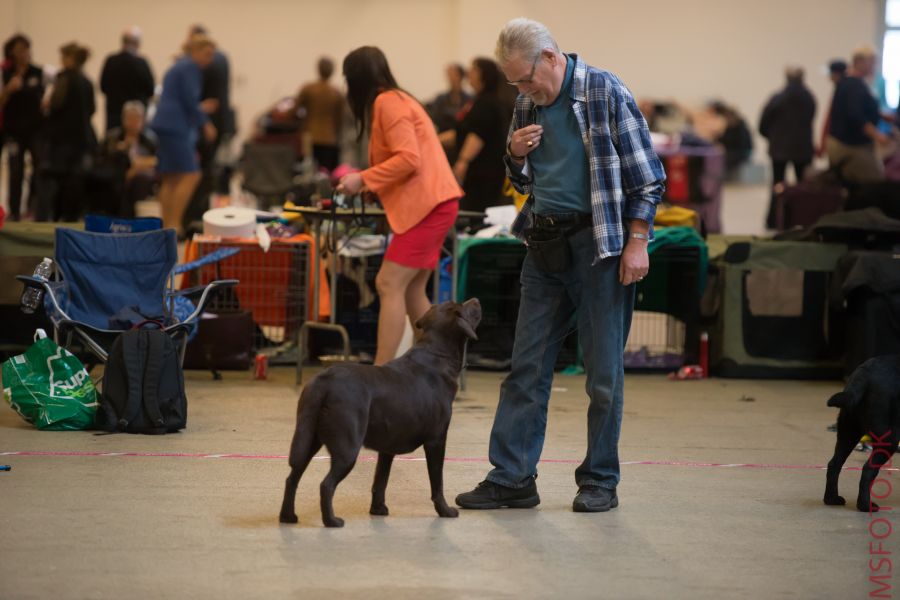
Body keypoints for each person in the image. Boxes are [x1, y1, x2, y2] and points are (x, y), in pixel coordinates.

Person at [455, 18, 665, 513]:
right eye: (515, 84)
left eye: (527, 79)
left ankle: (599, 480)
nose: (524, 91)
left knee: (603, 375)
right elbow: (523, 180)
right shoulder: (529, 101)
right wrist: (513, 153)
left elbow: (649, 179)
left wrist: (638, 242)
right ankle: (512, 478)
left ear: (550, 57)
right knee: (526, 366)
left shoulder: (605, 92)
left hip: (601, 246)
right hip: (544, 245)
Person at [335, 46, 463, 366]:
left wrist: (361, 179)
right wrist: (376, 187)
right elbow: (407, 160)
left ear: (355, 80)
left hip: (429, 206)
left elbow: (408, 158)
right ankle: (437, 364)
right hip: (436, 202)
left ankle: (380, 373)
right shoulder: (399, 99)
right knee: (411, 291)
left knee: (388, 282)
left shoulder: (387, 103)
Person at [150, 33, 217, 233]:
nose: (209, 59)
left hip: (165, 123)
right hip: (176, 126)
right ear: (194, 51)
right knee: (191, 174)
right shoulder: (190, 68)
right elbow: (189, 99)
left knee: (171, 177)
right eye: (207, 54)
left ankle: (167, 224)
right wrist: (206, 123)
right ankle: (174, 225)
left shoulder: (178, 66)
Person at [439, 57, 509, 215]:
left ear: (485, 74)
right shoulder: (476, 101)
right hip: (479, 173)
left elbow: (477, 135)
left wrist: (462, 162)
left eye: (474, 69)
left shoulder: (487, 102)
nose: (469, 72)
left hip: (483, 175)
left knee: (477, 213)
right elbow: (462, 132)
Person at [37, 42, 96, 222]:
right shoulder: (87, 81)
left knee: (57, 181)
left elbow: (55, 104)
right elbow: (92, 109)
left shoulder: (64, 78)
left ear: (69, 58)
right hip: (82, 138)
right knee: (75, 181)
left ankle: (54, 216)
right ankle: (72, 216)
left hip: (61, 139)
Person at [183, 24, 233, 233]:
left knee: (196, 172)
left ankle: (192, 217)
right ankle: (203, 216)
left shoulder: (201, 63)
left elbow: (196, 95)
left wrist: (204, 120)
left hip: (206, 123)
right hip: (220, 121)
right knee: (208, 172)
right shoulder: (223, 58)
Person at [759, 66, 816, 229]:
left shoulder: (778, 98)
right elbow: (812, 117)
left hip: (779, 149)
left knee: (777, 185)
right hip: (803, 149)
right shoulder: (809, 98)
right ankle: (802, 218)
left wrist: (772, 137)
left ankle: (773, 220)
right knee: (803, 187)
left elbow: (763, 122)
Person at [827, 46, 889, 184]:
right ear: (860, 61)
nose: (874, 66)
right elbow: (855, 116)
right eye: (872, 61)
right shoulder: (853, 85)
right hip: (851, 147)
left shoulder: (853, 83)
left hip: (850, 144)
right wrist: (877, 135)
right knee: (876, 183)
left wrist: (884, 117)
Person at [0, 34, 45, 221]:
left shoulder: (38, 72)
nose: (23, 54)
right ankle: (15, 211)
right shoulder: (5, 73)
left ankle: (32, 208)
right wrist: (9, 89)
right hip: (13, 132)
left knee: (38, 167)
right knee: (16, 170)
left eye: (25, 49)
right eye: (19, 50)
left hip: (35, 130)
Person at [97, 100, 158, 215]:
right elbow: (102, 159)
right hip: (115, 176)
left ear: (143, 120)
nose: (133, 122)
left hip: (140, 179)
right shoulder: (112, 137)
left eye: (137, 119)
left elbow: (156, 160)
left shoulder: (150, 140)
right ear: (123, 118)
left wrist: (135, 168)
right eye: (130, 118)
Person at [99, 26, 155, 132]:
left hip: (114, 115)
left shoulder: (111, 61)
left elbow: (103, 87)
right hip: (136, 119)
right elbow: (150, 90)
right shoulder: (141, 63)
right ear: (137, 44)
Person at [296, 56, 345, 172]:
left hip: (310, 137)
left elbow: (295, 109)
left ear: (318, 69)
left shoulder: (308, 89)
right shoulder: (336, 93)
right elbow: (340, 119)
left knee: (308, 172)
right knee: (326, 173)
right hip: (330, 138)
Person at [427, 63, 471, 134]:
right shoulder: (441, 98)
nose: (450, 77)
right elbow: (436, 117)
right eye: (449, 74)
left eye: (453, 74)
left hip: (461, 136)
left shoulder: (470, 99)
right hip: (444, 135)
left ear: (460, 76)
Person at [817, 59, 847, 158]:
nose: (829, 77)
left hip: (840, 143)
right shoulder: (842, 88)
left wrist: (823, 144)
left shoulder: (842, 90)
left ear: (836, 74)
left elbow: (830, 118)